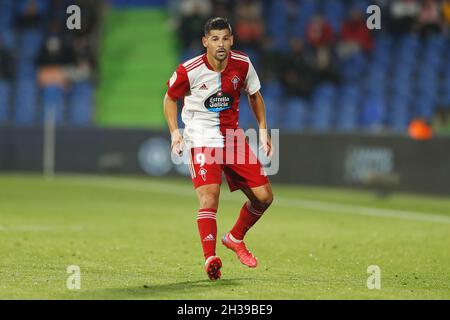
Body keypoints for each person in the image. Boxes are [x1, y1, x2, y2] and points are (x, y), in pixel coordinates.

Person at [163, 17, 273, 281]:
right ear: (205, 42)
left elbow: (254, 95)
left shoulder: (243, 64)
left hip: (232, 138)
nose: (220, 44)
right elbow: (170, 98)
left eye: (225, 38)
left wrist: (263, 129)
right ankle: (210, 257)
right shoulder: (189, 70)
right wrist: (175, 132)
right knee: (209, 197)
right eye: (215, 39)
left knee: (264, 197)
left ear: (231, 40)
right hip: (201, 137)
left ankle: (235, 237)